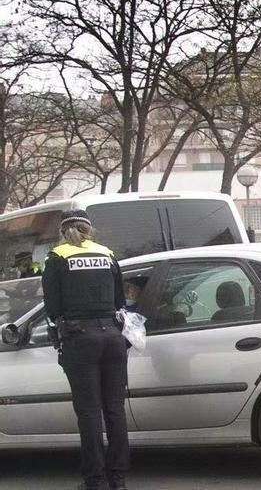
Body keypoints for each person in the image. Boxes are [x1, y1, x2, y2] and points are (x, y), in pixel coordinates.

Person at [41, 209, 129, 490]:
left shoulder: (56, 257)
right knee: (115, 409)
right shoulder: (108, 254)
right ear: (89, 230)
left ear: (63, 231)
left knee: (90, 413)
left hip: (80, 339)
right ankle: (118, 478)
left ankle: (96, 480)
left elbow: (52, 307)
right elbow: (120, 299)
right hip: (113, 337)